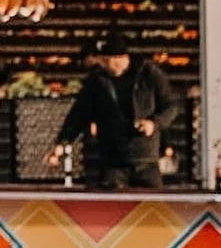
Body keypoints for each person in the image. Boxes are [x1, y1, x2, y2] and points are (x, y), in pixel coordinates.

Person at [47, 29, 178, 189]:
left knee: (152, 205)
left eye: (105, 60)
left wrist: (154, 123)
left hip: (145, 159)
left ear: (119, 59)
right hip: (112, 160)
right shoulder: (96, 82)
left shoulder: (149, 74)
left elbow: (170, 106)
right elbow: (78, 115)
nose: (101, 64)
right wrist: (63, 142)